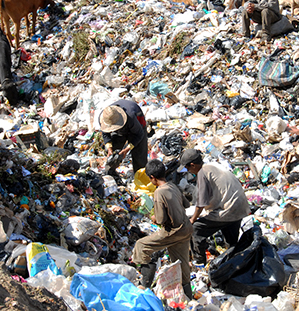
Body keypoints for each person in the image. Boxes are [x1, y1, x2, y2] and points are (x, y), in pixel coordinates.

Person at [131, 159, 193, 299]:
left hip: (173, 231)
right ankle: (188, 296)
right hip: (187, 228)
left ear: (152, 177)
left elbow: (160, 220)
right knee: (181, 262)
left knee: (141, 246)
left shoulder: (159, 193)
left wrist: (152, 216)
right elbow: (187, 204)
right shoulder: (173, 186)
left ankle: (145, 285)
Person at [179, 149, 251, 265]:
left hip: (229, 209)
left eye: (188, 168)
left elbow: (201, 203)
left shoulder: (202, 173)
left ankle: (199, 261)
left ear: (192, 165)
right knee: (231, 237)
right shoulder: (212, 165)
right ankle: (234, 258)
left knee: (196, 229)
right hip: (240, 205)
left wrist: (193, 219)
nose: (188, 171)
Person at [99, 99, 147, 173]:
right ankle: (110, 174)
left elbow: (139, 134)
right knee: (114, 155)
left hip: (137, 129)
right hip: (121, 131)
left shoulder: (130, 117)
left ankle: (140, 177)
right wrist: (109, 148)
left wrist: (127, 149)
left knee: (139, 157)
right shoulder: (104, 118)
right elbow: (105, 133)